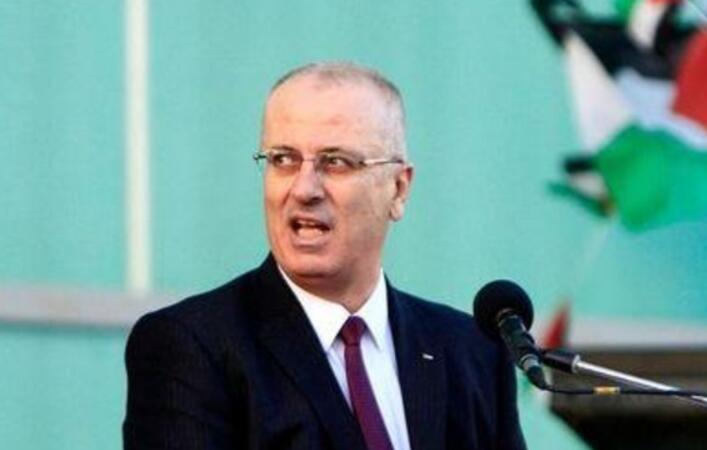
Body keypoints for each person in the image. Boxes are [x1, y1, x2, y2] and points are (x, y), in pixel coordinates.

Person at [123, 61, 526, 450]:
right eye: (283, 159)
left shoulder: (472, 350)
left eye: (335, 162)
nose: (304, 189)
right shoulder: (193, 346)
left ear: (399, 189)